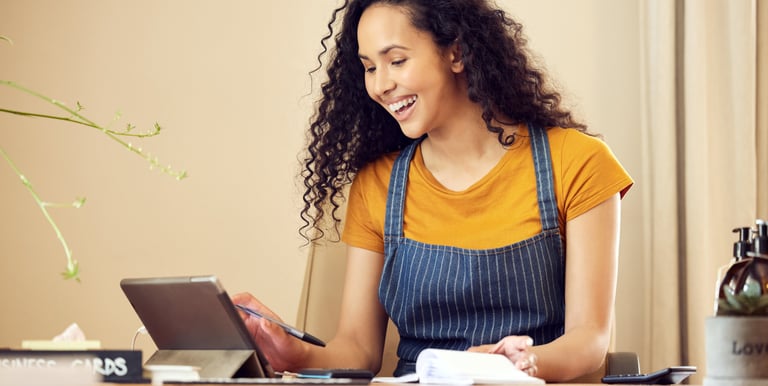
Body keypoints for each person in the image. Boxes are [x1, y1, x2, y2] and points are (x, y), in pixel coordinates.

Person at [233, 0, 633, 382]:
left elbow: (589, 340)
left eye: (397, 61)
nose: (380, 85)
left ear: (455, 54)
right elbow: (357, 349)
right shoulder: (379, 184)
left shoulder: (577, 162)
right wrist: (293, 352)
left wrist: (518, 362)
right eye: (369, 67)